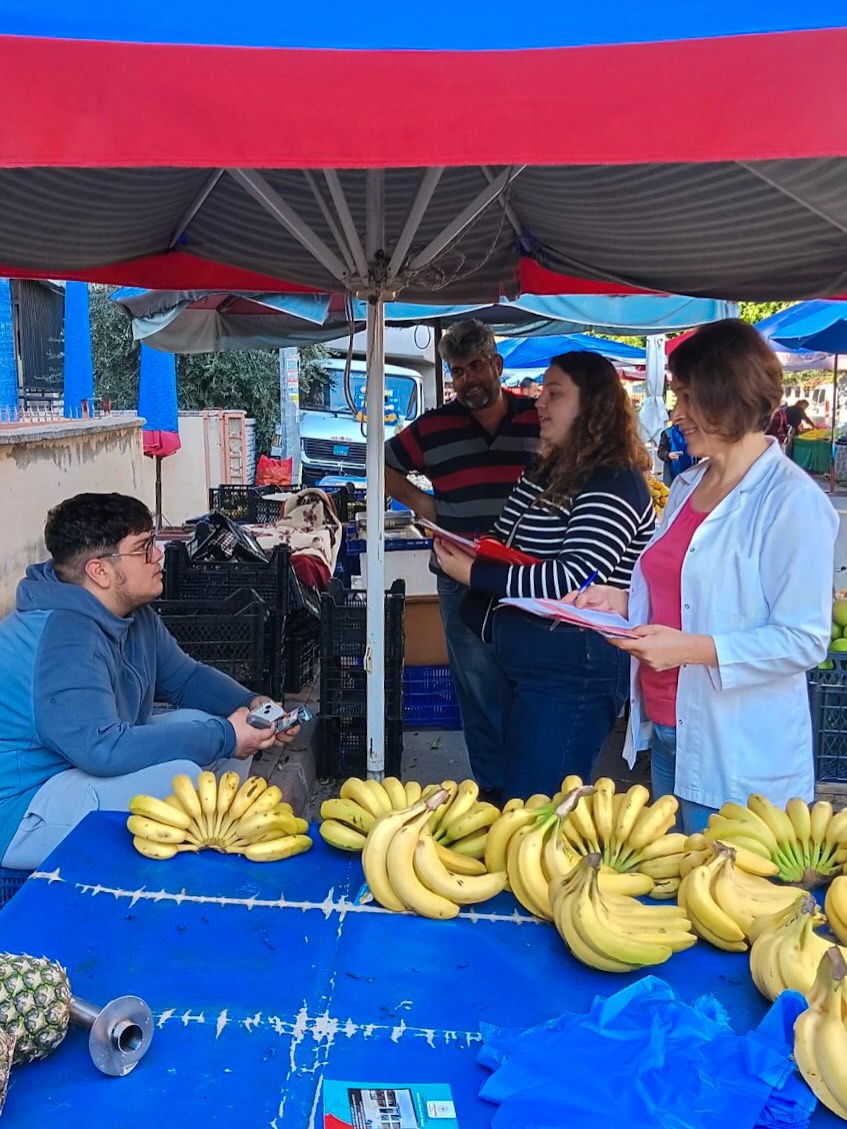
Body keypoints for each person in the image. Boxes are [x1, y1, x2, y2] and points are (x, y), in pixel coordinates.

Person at [570, 320, 838, 832]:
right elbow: (689, 594)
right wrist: (626, 601)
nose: (677, 414)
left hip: (739, 759)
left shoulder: (790, 502)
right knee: (680, 888)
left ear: (728, 399)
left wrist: (689, 649)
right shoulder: (691, 483)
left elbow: (805, 640)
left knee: (726, 898)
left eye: (688, 398)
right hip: (671, 732)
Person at [0, 492, 300, 870]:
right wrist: (225, 734)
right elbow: (101, 748)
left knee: (214, 731)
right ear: (100, 571)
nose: (158, 555)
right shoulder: (63, 637)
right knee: (185, 777)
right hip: (22, 810)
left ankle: (214, 849)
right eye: (143, 549)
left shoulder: (129, 612)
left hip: (76, 767)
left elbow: (186, 677)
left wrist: (254, 704)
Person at [434, 351, 654, 800]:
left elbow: (573, 577)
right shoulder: (549, 469)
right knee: (513, 798)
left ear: (593, 405)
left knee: (538, 804)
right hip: (527, 661)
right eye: (540, 391)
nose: (539, 402)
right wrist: (476, 550)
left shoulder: (612, 478)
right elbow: (510, 538)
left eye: (555, 393)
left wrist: (476, 574)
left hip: (575, 668)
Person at [385, 320, 540, 798]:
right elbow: (383, 462)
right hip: (460, 579)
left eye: (476, 367)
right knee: (479, 691)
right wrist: (425, 506)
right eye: (458, 371)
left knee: (532, 685)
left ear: (496, 364)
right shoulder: (433, 427)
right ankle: (495, 798)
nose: (468, 379)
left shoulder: (539, 419)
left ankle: (534, 789)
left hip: (530, 576)